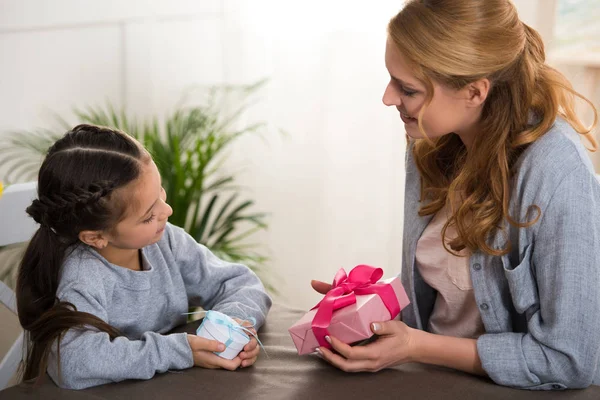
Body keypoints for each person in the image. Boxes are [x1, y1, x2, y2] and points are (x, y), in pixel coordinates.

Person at [311, 0, 600, 390]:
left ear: (475, 92)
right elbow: (453, 288)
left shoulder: (555, 169)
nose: (387, 97)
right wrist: (369, 305)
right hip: (430, 379)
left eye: (407, 89)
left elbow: (568, 359)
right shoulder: (431, 145)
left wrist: (415, 347)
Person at [16, 124, 272, 390]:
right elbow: (74, 363)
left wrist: (231, 328)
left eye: (160, 192)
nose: (168, 210)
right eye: (149, 215)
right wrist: (178, 350)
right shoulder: (83, 275)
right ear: (95, 237)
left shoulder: (167, 241)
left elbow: (241, 283)